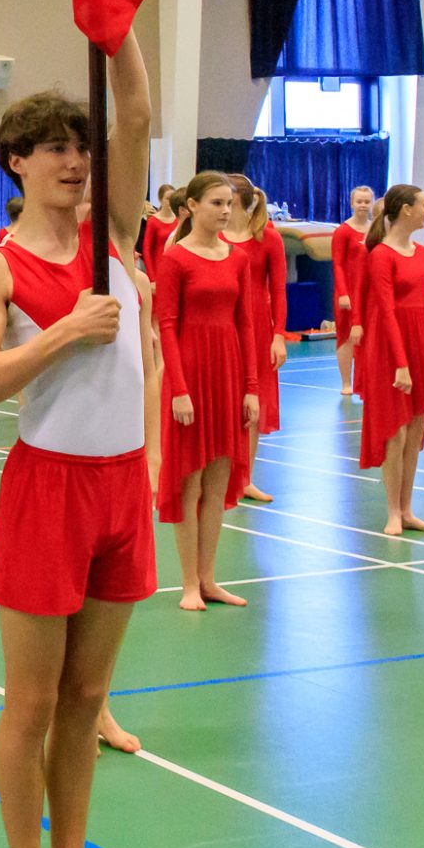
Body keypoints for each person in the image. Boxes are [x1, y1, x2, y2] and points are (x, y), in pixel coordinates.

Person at [0, 29, 154, 848]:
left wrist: (118, 29)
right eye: (56, 149)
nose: (76, 160)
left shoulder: (116, 227)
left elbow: (138, 111)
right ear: (16, 163)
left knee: (85, 700)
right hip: (49, 490)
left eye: (82, 146)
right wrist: (68, 331)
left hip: (122, 486)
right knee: (32, 703)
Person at [154, 174, 259, 612]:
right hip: (191, 376)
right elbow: (167, 326)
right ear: (192, 206)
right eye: (216, 203)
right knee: (190, 483)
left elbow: (247, 323)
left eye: (230, 204)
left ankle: (210, 579)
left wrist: (251, 387)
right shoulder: (176, 258)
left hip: (228, 373)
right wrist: (178, 389)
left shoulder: (238, 259)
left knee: (217, 485)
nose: (225, 211)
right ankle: (189, 585)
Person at [357, 185, 424, 536]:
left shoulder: (423, 254)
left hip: (421, 341)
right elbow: (386, 310)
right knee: (397, 431)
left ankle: (408, 508)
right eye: (423, 206)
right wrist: (401, 362)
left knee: (417, 430)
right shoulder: (380, 255)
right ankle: (393, 510)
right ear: (405, 210)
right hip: (392, 349)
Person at [222, 176, 285, 502]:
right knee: (224, 401)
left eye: (226, 200)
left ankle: (245, 477)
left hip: (258, 327)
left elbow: (278, 290)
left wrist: (278, 336)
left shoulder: (268, 238)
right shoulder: (214, 238)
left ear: (240, 202)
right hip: (223, 323)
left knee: (253, 404)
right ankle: (221, 476)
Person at [330, 186, 375, 396]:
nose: (363, 205)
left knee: (367, 337)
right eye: (360, 201)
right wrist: (343, 293)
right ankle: (345, 382)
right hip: (347, 291)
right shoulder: (343, 231)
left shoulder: (374, 229)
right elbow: (337, 264)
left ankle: (365, 381)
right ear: (352, 203)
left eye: (367, 201)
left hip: (369, 292)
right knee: (346, 336)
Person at [140, 184, 177, 283]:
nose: (170, 202)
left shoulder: (177, 220)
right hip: (158, 266)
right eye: (167, 199)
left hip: (173, 265)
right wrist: (151, 277)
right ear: (160, 200)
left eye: (173, 199)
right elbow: (146, 249)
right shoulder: (153, 221)